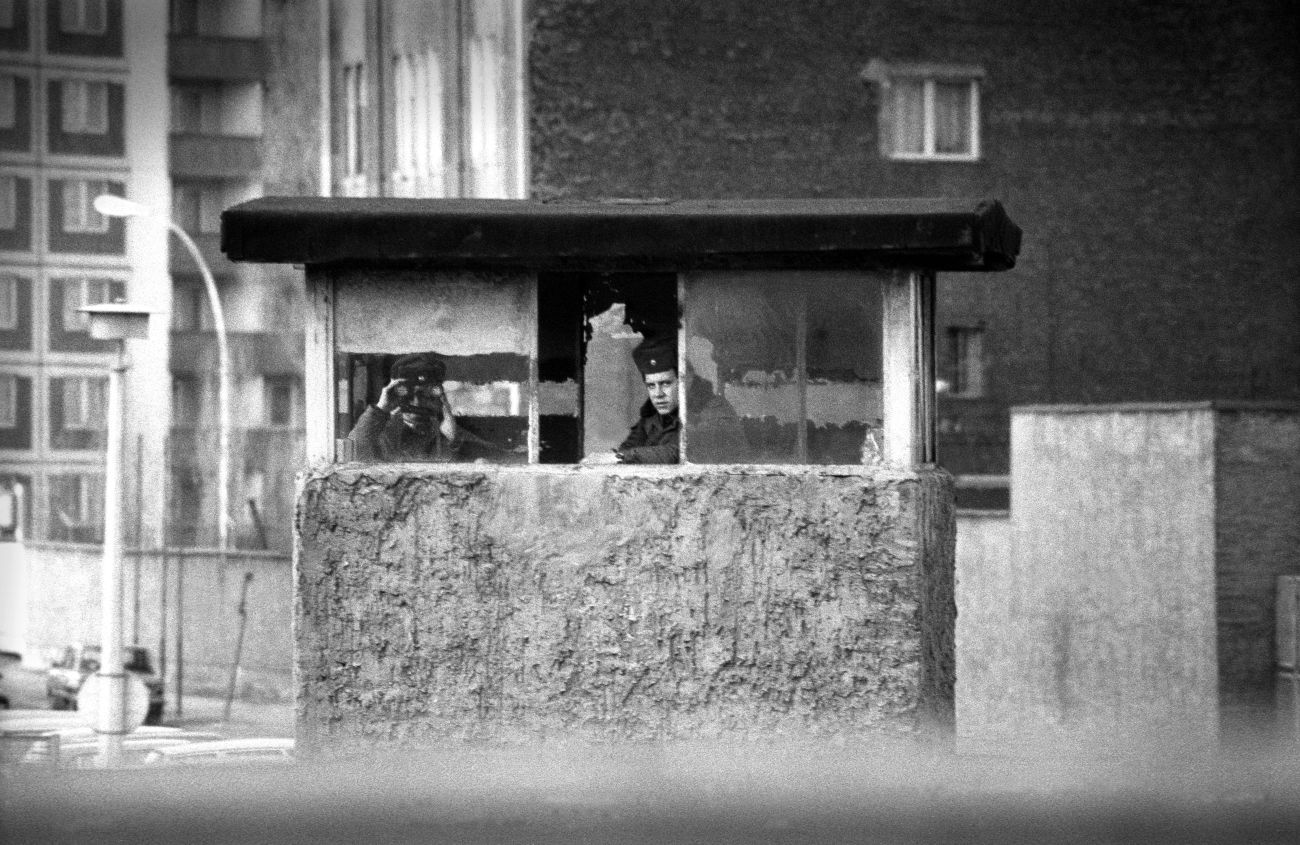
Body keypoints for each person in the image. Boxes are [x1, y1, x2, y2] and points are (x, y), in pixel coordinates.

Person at [346, 352, 465, 461]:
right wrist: (380, 409)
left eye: (425, 396)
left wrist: (451, 440)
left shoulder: (449, 432)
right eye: (408, 395)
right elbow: (349, 451)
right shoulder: (380, 432)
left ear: (439, 398)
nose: (417, 403)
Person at [612, 335, 681, 464]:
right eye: (651, 386)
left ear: (682, 382)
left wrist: (629, 456)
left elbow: (678, 452)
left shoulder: (705, 412)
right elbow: (626, 449)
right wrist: (625, 456)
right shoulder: (651, 418)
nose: (658, 394)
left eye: (665, 383)